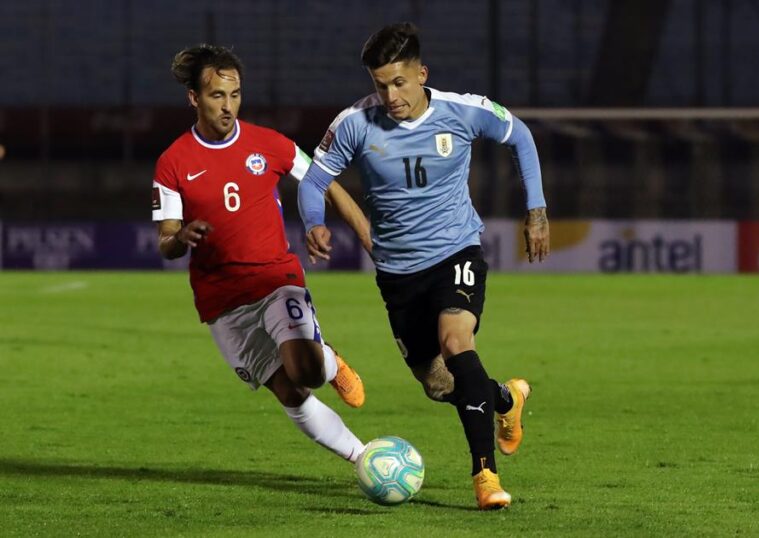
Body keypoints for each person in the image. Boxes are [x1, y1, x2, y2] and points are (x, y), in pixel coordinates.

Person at [298, 23, 550, 509]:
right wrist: (314, 222)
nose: (390, 96)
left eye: (399, 83)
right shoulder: (354, 123)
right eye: (380, 85)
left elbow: (520, 135)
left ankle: (485, 477)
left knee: (458, 344)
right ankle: (504, 399)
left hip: (456, 253)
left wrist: (536, 209)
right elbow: (313, 180)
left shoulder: (462, 111)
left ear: (421, 74)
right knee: (439, 384)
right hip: (397, 274)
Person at [152, 44, 372, 465]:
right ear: (194, 98)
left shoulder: (268, 144)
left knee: (306, 371)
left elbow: (325, 181)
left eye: (235, 95)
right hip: (221, 301)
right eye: (217, 95)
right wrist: (182, 239)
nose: (228, 106)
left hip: (275, 280)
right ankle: (365, 459)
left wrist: (363, 232)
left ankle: (329, 362)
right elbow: (165, 241)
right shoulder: (173, 163)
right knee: (288, 390)